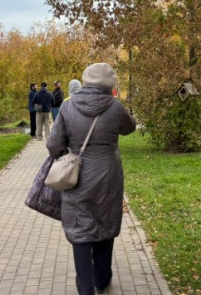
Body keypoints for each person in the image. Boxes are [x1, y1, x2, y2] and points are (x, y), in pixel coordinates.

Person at [47, 63, 136, 295]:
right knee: (105, 221)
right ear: (110, 84)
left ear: (85, 80)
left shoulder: (67, 106)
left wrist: (67, 154)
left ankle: (85, 288)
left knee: (80, 227)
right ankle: (103, 279)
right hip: (108, 174)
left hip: (77, 175)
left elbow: (53, 144)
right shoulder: (115, 106)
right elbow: (130, 128)